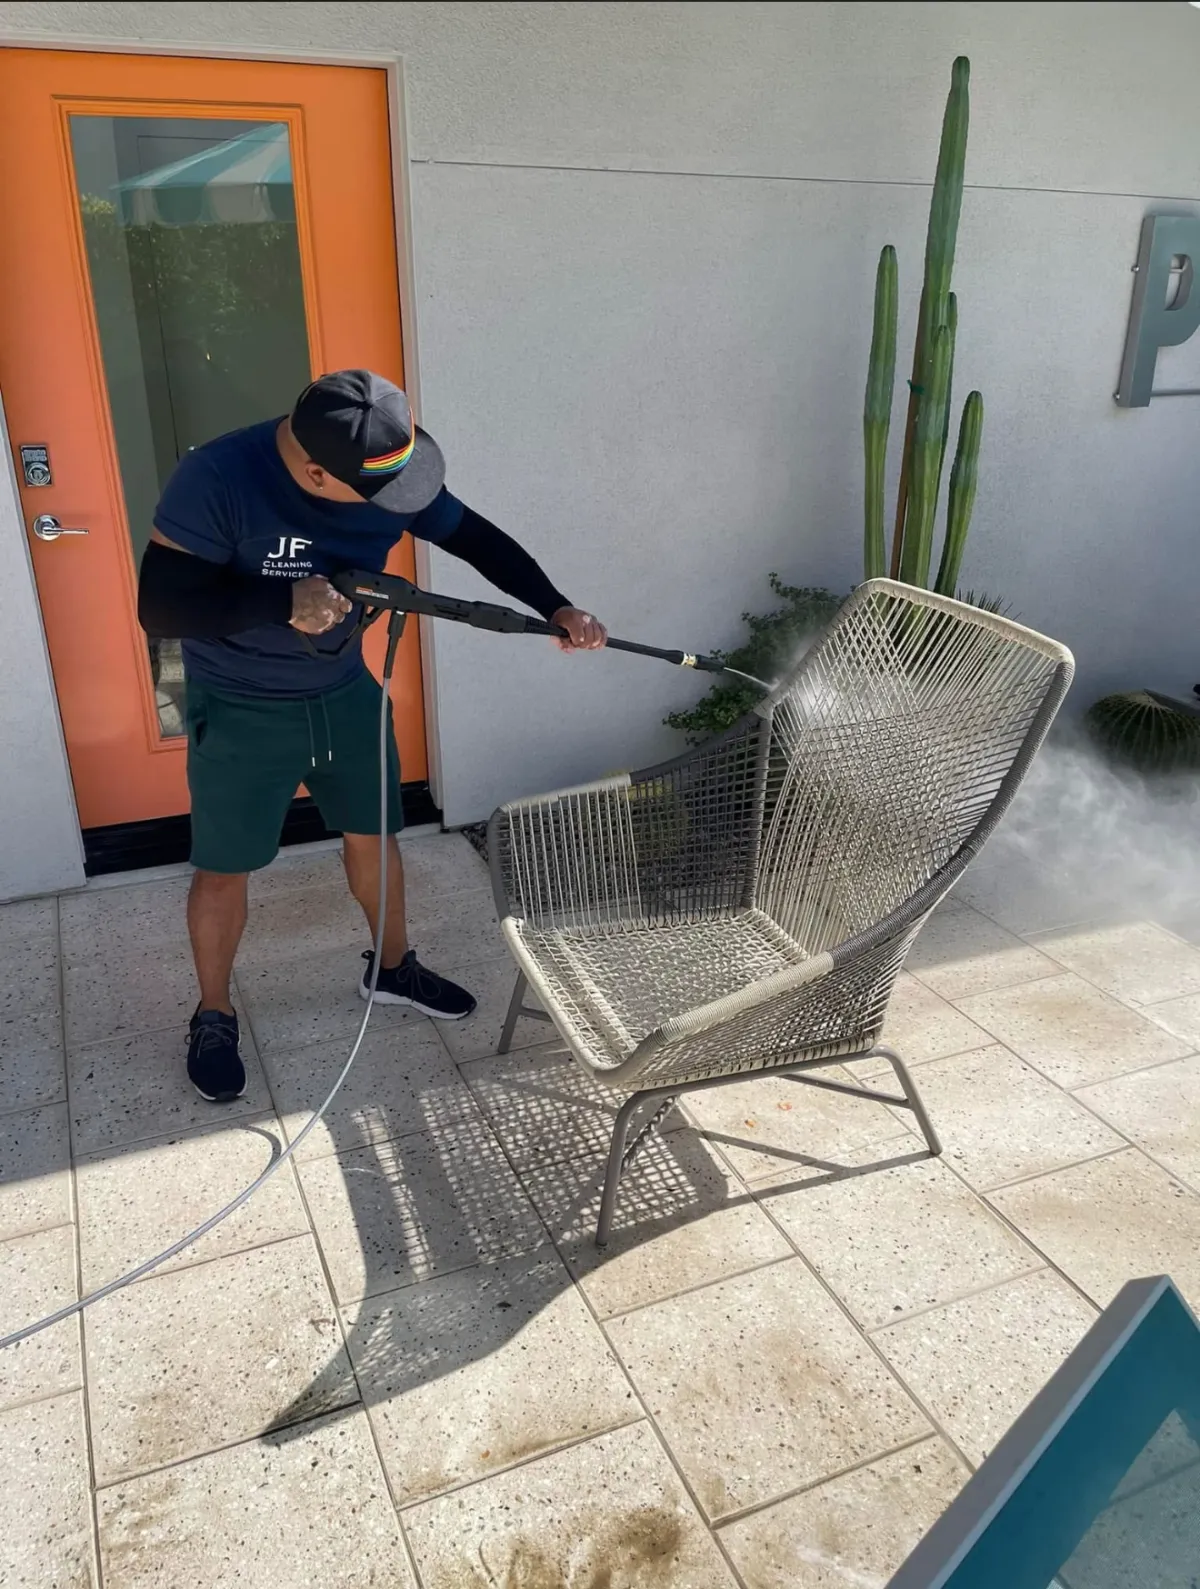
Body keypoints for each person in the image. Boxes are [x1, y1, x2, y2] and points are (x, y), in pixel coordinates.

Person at [138, 369, 606, 1103]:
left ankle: (390, 969)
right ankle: (213, 1014)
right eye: (377, 496)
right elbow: (159, 605)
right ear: (315, 470)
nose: (399, 507)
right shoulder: (217, 477)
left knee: (375, 833)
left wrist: (556, 604)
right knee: (225, 865)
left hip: (346, 693)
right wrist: (280, 600)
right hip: (239, 704)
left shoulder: (388, 472)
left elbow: (474, 536)